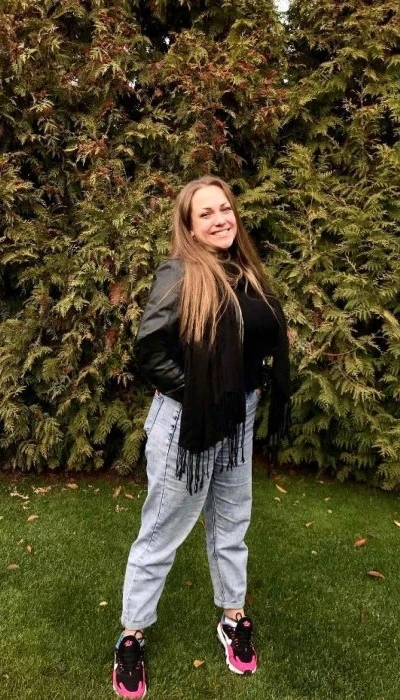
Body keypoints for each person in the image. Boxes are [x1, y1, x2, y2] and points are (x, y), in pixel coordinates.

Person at [112, 175, 291, 699]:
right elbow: (149, 351)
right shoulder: (180, 273)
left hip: (238, 417)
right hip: (186, 422)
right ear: (189, 228)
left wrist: (255, 376)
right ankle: (131, 635)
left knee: (232, 523)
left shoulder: (246, 270)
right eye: (206, 214)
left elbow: (253, 339)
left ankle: (233, 618)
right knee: (161, 533)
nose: (219, 219)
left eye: (224, 208)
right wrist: (200, 393)